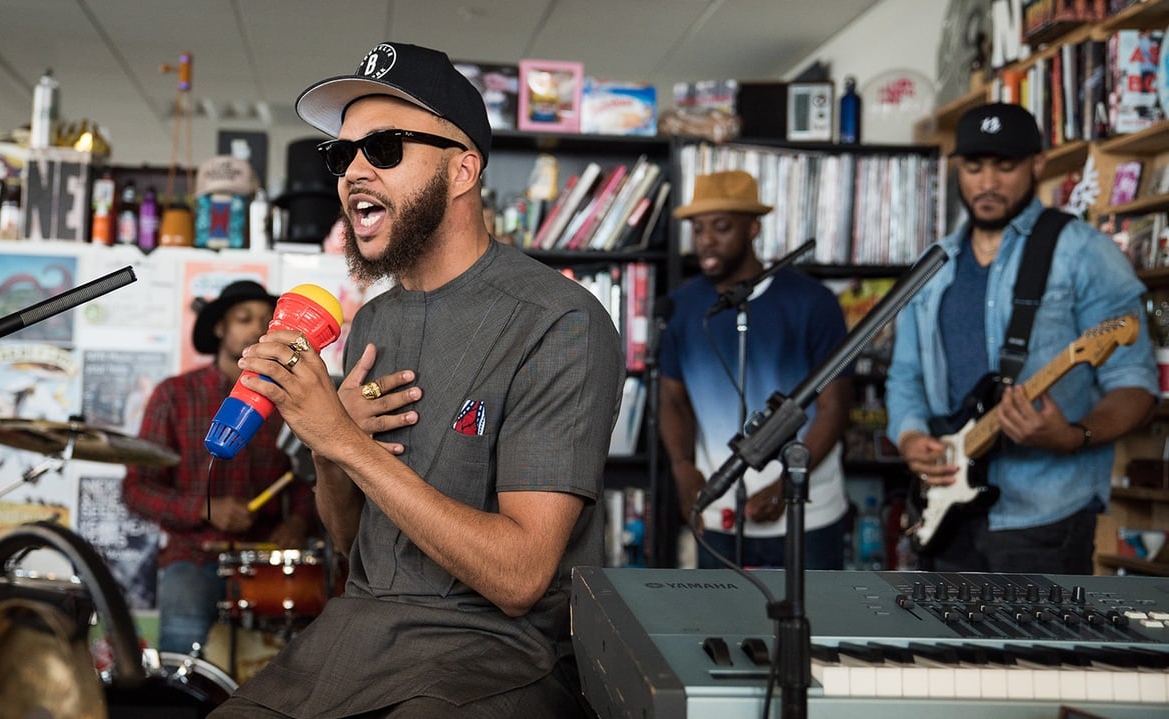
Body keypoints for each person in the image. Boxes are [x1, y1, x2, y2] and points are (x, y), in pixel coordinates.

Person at [208, 41, 624, 719]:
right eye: (342, 155)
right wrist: (327, 451)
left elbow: (520, 578)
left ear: (462, 170)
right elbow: (353, 547)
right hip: (358, 637)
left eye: (387, 148)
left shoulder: (560, 321)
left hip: (490, 654)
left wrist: (346, 443)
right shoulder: (372, 323)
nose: (353, 172)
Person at [885, 102, 1158, 574]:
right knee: (944, 649)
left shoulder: (1082, 251)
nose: (987, 183)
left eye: (1005, 166)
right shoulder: (934, 263)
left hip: (1046, 512)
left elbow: (1136, 384)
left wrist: (1074, 435)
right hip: (946, 507)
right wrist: (911, 438)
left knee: (1033, 651)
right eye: (973, 167)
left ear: (1037, 165)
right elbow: (905, 374)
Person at [658, 169, 852, 570]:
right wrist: (681, 468)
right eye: (698, 229)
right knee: (724, 630)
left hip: (807, 512)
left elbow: (834, 407)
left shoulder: (814, 303)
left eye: (722, 227)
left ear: (753, 229)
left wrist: (787, 484)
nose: (706, 240)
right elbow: (673, 400)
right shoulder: (683, 306)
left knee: (815, 629)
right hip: (720, 515)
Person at [121, 279, 312, 654]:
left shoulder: (288, 398)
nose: (258, 328)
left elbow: (306, 476)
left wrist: (299, 520)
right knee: (183, 662)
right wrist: (206, 509)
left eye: (266, 321)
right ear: (219, 328)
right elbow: (137, 489)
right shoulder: (174, 395)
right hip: (194, 554)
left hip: (267, 560)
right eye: (244, 318)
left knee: (288, 664)